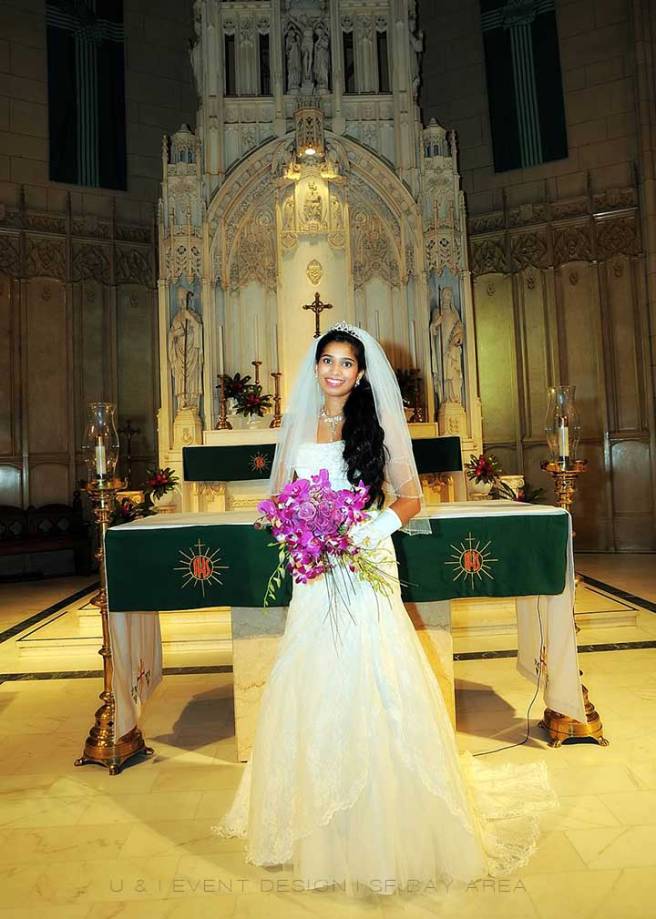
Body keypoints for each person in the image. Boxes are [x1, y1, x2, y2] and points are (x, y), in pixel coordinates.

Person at [212, 321, 558, 897]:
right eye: (328, 360)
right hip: (315, 568)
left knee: (374, 668)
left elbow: (411, 496)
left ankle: (383, 816)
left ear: (361, 372)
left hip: (366, 558)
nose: (336, 371)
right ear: (315, 366)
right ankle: (316, 814)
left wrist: (370, 528)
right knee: (312, 670)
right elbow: (278, 495)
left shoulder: (372, 426)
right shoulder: (296, 422)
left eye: (347, 363)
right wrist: (289, 523)